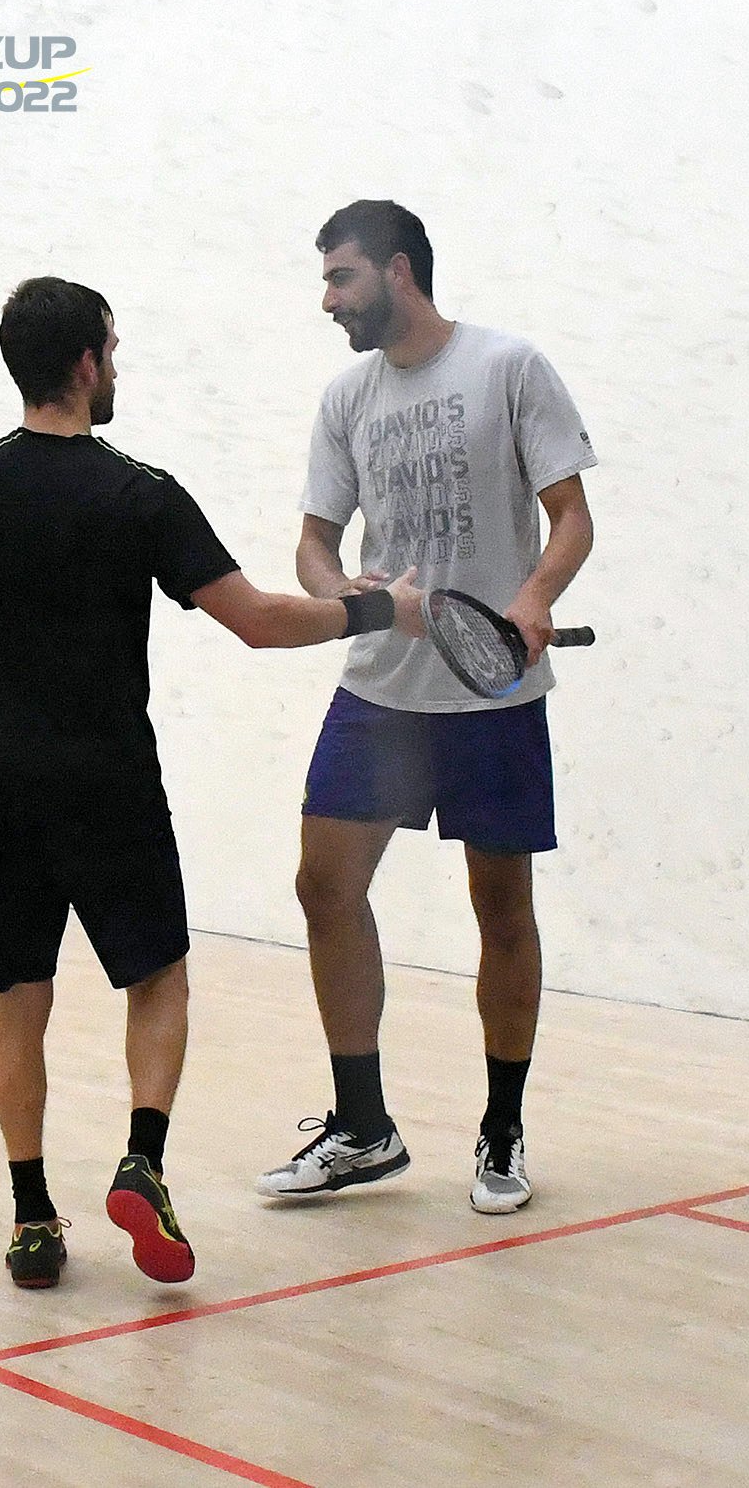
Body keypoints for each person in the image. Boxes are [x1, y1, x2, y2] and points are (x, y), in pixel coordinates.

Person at [0, 275, 423, 1288]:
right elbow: (259, 621)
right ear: (86, 363)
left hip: (5, 787)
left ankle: (32, 1219)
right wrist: (374, 610)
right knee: (158, 979)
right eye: (113, 349)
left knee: (18, 999)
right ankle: (142, 1159)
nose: (117, 366)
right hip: (111, 784)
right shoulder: (140, 493)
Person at [256, 201, 596, 1214]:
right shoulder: (346, 398)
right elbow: (313, 543)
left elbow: (571, 518)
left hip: (493, 693)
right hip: (380, 693)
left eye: (341, 278)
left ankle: (502, 1128)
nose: (328, 300)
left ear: (398, 270)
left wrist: (532, 600)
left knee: (501, 909)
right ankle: (363, 1128)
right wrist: (347, 594)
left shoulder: (508, 368)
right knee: (325, 885)